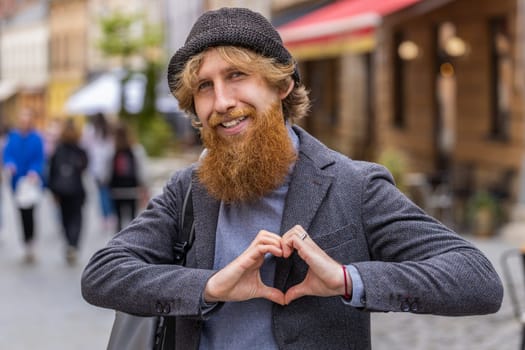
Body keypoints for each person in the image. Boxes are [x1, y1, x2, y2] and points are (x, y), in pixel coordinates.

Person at [82, 7, 503, 349]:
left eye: (237, 76)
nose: (222, 102)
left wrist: (347, 280)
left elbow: (477, 280)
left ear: (281, 85)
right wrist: (209, 286)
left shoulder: (355, 185)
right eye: (205, 87)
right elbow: (103, 274)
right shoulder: (188, 189)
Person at [3, 107, 45, 263]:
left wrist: (35, 171)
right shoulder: (13, 137)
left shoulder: (36, 138)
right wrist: (10, 165)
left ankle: (31, 241)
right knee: (21, 213)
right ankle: (26, 241)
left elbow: (40, 159)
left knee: (31, 213)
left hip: (32, 183)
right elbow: (8, 155)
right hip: (17, 183)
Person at [48, 119, 88, 265]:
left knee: (65, 218)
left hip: (62, 190)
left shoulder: (58, 150)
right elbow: (85, 167)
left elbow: (51, 171)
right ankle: (73, 243)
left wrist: (52, 190)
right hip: (76, 189)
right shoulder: (80, 150)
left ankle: (70, 243)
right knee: (76, 218)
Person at [108, 122, 148, 232]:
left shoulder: (111, 150)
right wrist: (144, 186)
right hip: (132, 188)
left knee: (118, 217)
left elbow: (105, 171)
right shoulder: (136, 149)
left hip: (116, 189)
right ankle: (131, 240)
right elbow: (142, 170)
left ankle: (118, 242)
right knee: (132, 218)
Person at [81, 112, 115, 232]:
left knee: (102, 193)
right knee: (107, 192)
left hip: (96, 168)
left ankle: (105, 217)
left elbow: (85, 147)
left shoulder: (91, 131)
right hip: (108, 166)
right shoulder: (108, 130)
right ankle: (110, 215)